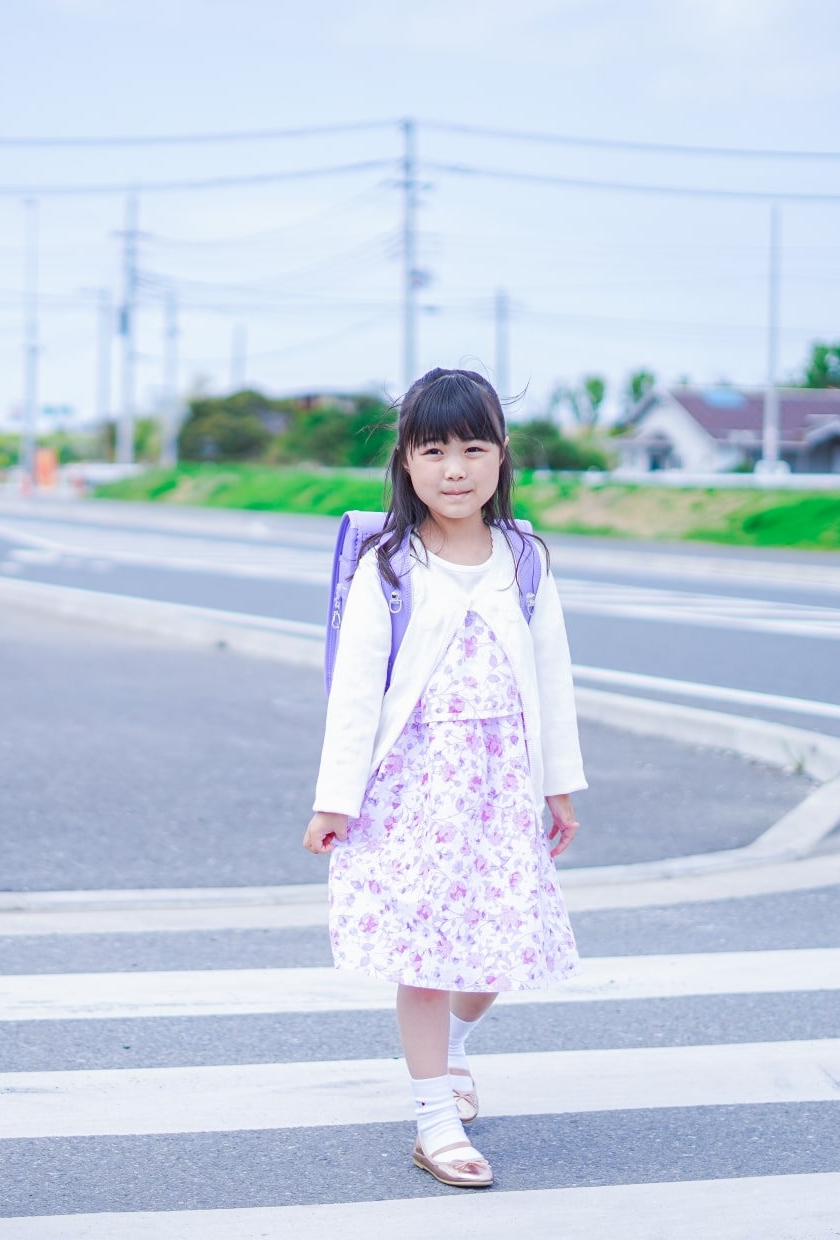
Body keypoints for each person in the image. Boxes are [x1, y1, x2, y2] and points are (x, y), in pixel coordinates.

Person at [303, 368, 585, 1189]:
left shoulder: (525, 557)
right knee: (422, 956)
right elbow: (356, 691)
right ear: (406, 461)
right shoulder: (387, 563)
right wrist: (335, 799)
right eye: (435, 450)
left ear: (502, 457)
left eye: (473, 447)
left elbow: (554, 675)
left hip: (500, 787)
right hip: (410, 786)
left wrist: (556, 785)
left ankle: (457, 1049)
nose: (454, 468)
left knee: (495, 954)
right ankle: (434, 1120)